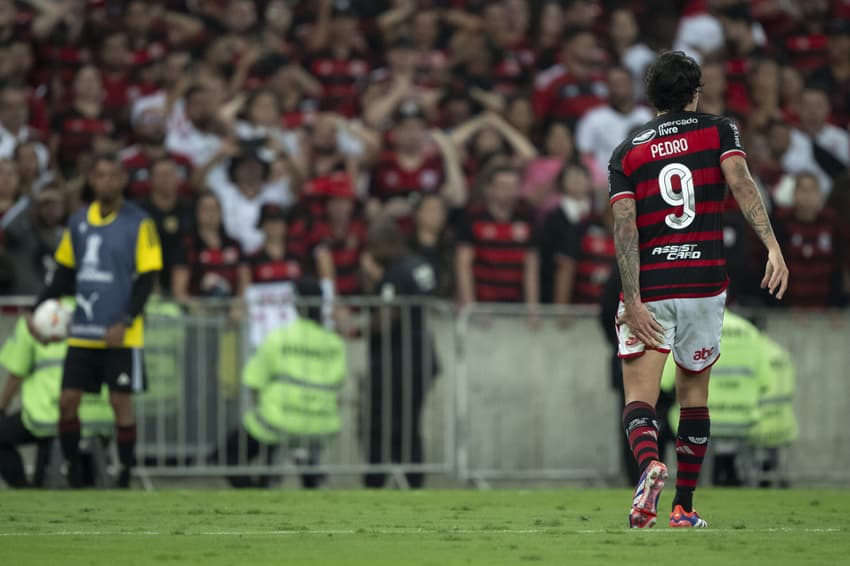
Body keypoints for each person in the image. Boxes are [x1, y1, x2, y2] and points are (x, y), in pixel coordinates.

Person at [608, 51, 788, 528]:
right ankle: (684, 507)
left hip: (653, 285)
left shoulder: (628, 151)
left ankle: (650, 466)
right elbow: (742, 183)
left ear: (651, 97)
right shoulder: (718, 130)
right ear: (695, 92)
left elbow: (625, 230)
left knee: (640, 400)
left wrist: (632, 299)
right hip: (705, 284)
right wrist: (771, 245)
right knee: (694, 397)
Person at [29, 154, 162, 488]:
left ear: (122, 181)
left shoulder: (139, 222)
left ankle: (125, 473)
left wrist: (127, 319)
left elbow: (147, 278)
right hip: (83, 331)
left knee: (121, 403)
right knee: (67, 401)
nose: (105, 181)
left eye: (111, 176)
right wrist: (38, 309)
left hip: (120, 333)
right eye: (99, 175)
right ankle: (73, 470)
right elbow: (64, 273)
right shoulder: (77, 222)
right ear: (92, 180)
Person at [217, 278, 346, 489]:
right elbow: (338, 381)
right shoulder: (335, 343)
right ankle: (306, 473)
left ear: (294, 303)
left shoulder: (278, 338)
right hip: (322, 424)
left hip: (278, 420)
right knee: (282, 438)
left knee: (226, 455)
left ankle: (256, 494)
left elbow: (252, 381)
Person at [0, 302, 114, 488]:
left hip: (48, 414)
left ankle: (25, 492)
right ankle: (85, 481)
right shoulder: (97, 312)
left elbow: (16, 374)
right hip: (99, 414)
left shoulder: (35, 319)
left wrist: (1, 408)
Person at [361, 219, 438, 488]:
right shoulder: (419, 264)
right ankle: (412, 480)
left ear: (389, 244)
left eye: (374, 247)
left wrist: (359, 329)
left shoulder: (394, 273)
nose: (371, 253)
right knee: (409, 424)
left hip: (397, 362)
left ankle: (377, 479)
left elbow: (385, 318)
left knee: (383, 424)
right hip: (422, 358)